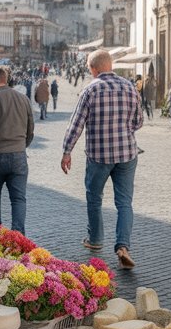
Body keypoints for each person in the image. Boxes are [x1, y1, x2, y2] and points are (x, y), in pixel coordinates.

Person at [60, 49, 142, 270]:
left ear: (93, 68)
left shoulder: (90, 89)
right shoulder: (130, 87)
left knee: (94, 197)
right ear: (111, 66)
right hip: (127, 153)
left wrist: (67, 151)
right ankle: (123, 246)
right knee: (124, 202)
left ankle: (95, 240)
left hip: (99, 155)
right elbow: (138, 121)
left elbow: (76, 124)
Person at [0, 65, 34, 233]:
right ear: (6, 79)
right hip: (18, 154)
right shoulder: (23, 98)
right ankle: (18, 236)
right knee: (18, 199)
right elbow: (30, 130)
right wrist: (21, 146)